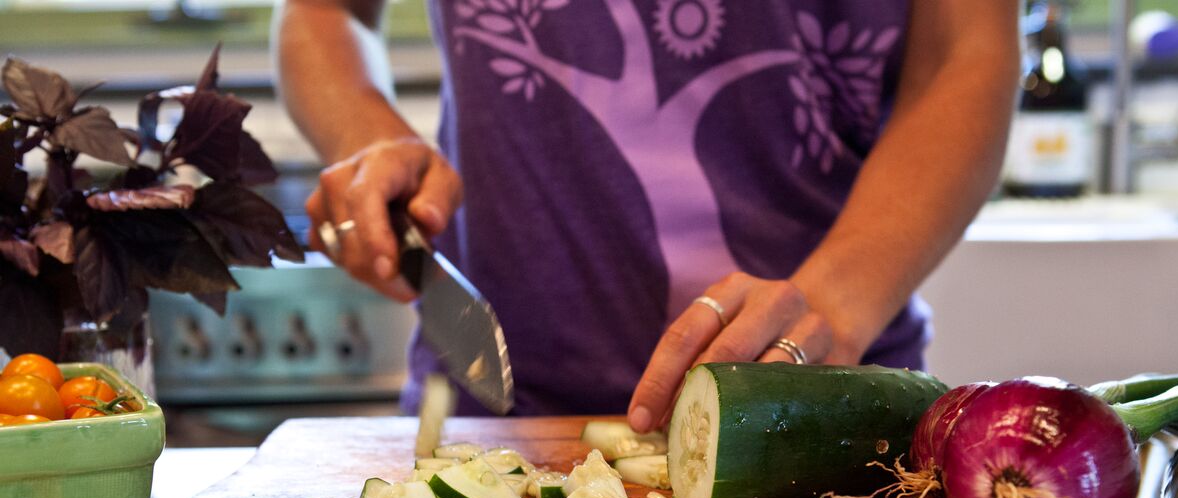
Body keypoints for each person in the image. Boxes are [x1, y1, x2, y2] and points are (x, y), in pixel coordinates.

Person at [273, 0, 1019, 433]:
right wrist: (368, 137)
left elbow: (966, 55)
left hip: (827, 407)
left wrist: (831, 305)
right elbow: (321, 11)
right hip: (499, 414)